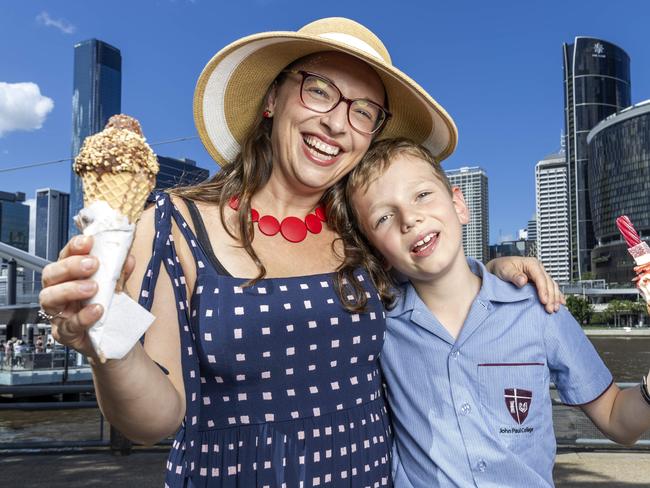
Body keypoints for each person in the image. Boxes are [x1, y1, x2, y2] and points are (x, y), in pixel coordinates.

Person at [38, 18, 561, 487]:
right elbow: (153, 422)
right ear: (272, 100)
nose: (338, 123)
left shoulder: (366, 234)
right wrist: (107, 344)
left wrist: (496, 270)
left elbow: (439, 281)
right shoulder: (173, 226)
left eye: (364, 112)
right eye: (320, 91)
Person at [342, 137, 650, 487]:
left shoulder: (539, 308)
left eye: (422, 195)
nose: (409, 218)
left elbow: (618, 420)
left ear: (459, 204)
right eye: (383, 216)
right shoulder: (376, 325)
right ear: (376, 250)